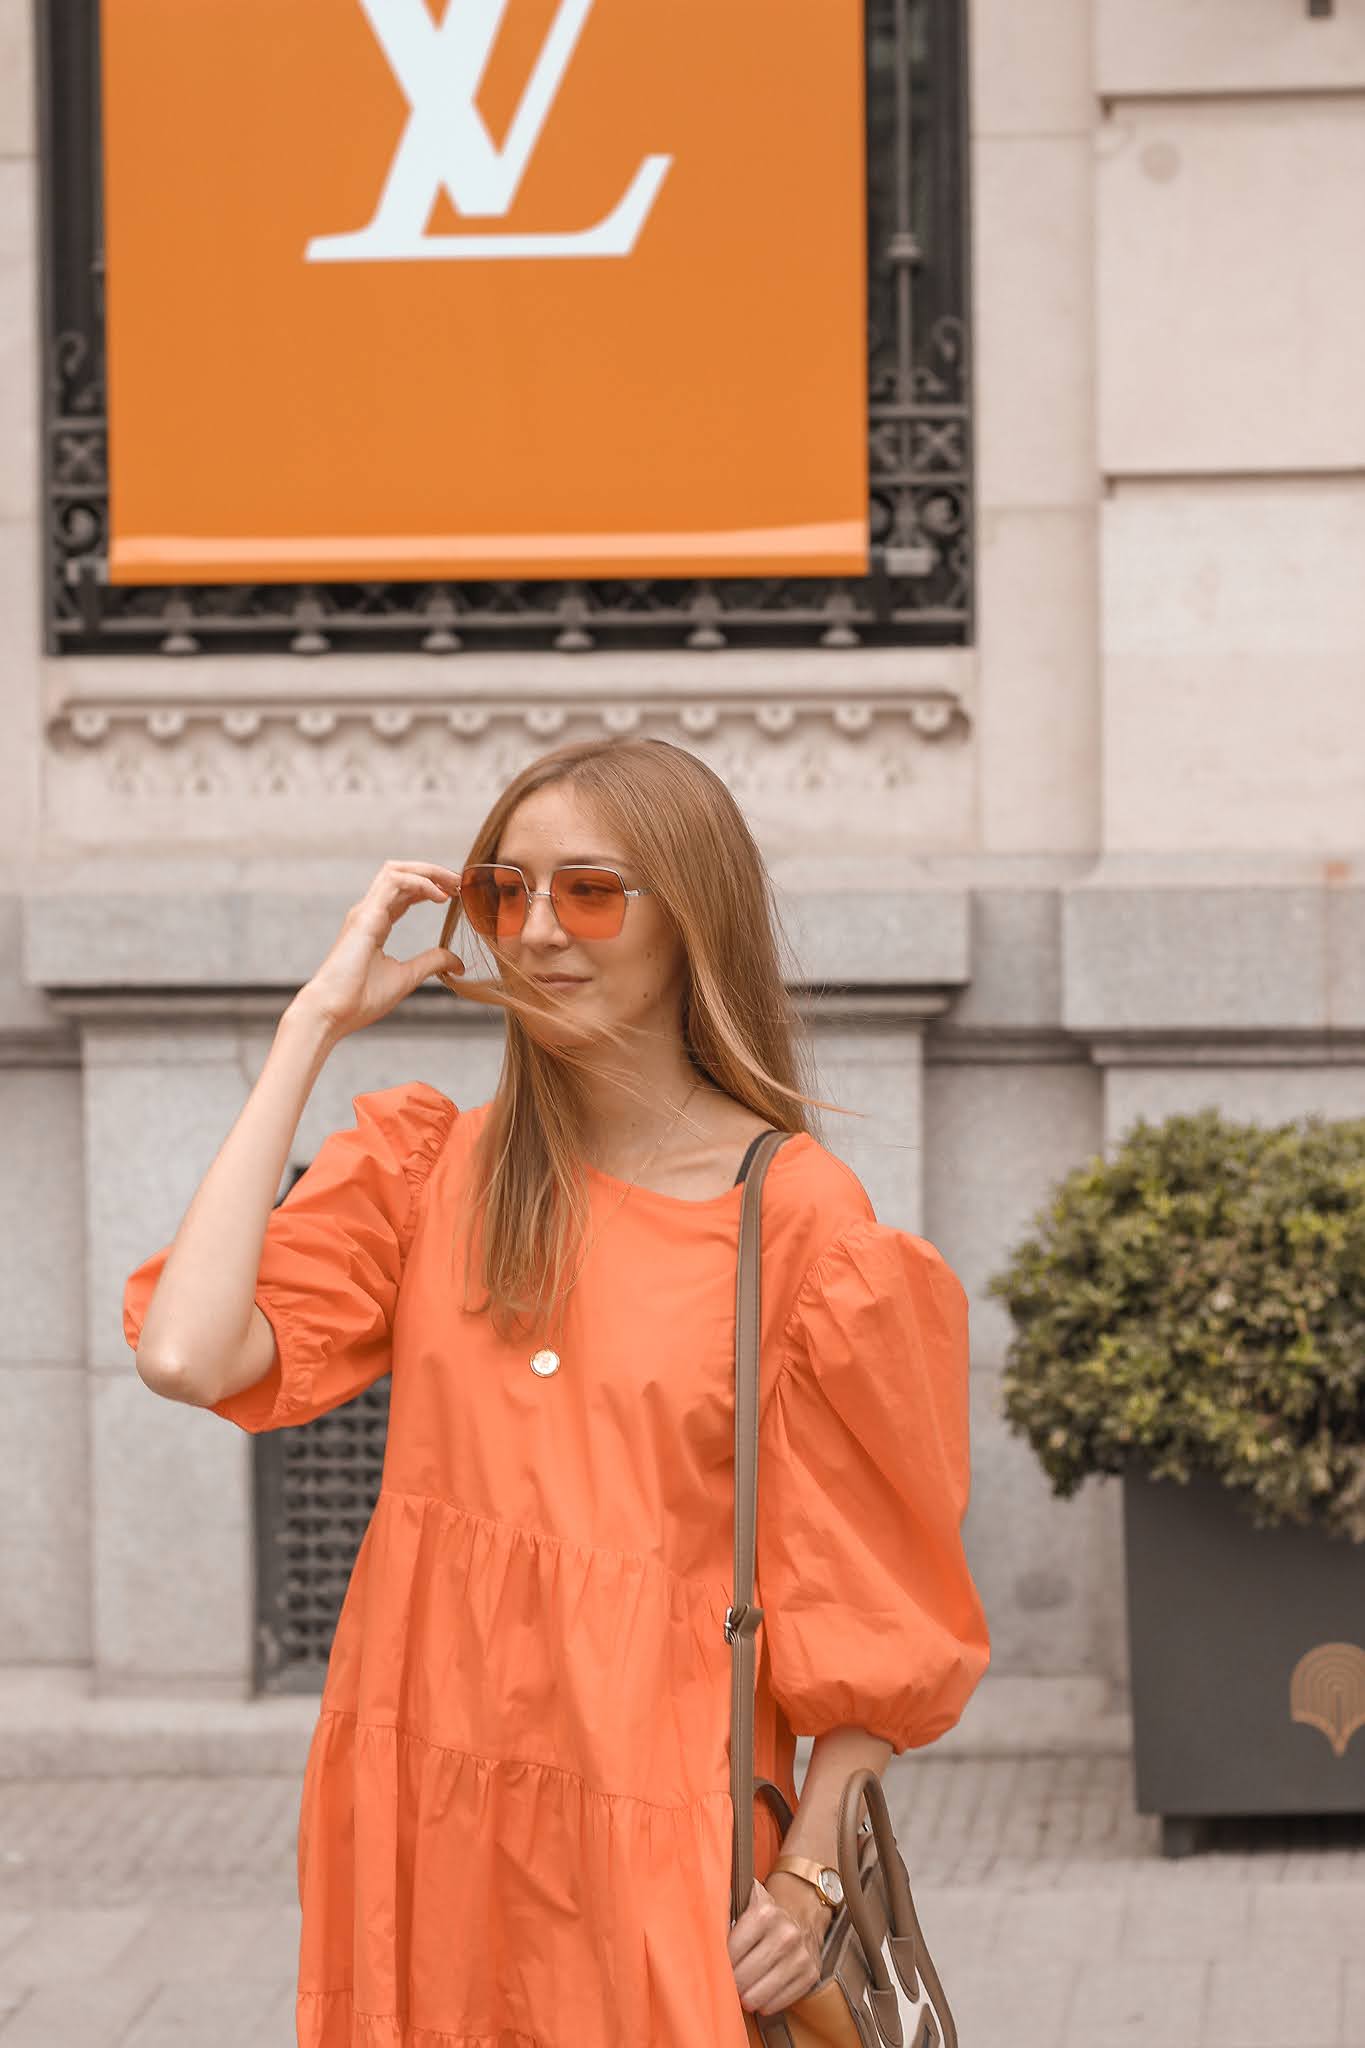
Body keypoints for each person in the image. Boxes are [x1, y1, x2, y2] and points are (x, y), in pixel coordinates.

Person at [123, 735, 990, 2048]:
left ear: (690, 919)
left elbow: (875, 1597)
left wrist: (813, 1874)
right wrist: (308, 1028)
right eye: (501, 892)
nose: (535, 933)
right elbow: (189, 1353)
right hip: (421, 1794)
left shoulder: (801, 1224)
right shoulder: (429, 1169)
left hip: (656, 1810)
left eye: (588, 892)